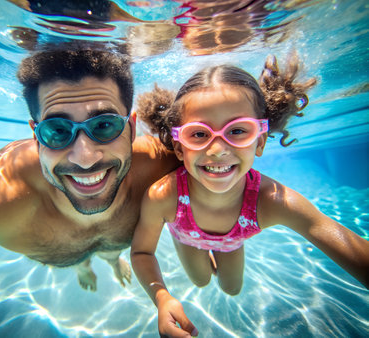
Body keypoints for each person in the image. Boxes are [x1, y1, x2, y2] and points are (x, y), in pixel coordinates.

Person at [130, 54, 369, 337]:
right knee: (201, 280)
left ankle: (225, 241)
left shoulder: (272, 201)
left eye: (238, 131)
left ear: (260, 141)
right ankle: (199, 244)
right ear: (179, 149)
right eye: (198, 135)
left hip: (233, 240)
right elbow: (142, 251)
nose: (217, 149)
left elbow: (336, 236)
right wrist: (162, 298)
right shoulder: (163, 197)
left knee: (232, 288)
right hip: (186, 234)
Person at [0, 46, 180, 291]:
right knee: (80, 259)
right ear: (36, 136)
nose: (85, 158)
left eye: (104, 125)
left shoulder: (164, 164)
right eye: (57, 130)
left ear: (131, 128)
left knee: (112, 252)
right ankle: (82, 266)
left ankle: (112, 261)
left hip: (114, 246)